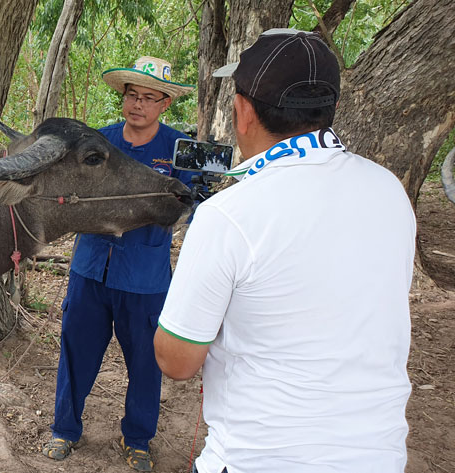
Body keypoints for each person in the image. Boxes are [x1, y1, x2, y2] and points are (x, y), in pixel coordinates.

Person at [154, 29, 414, 473]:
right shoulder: (388, 189)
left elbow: (176, 360)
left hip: (258, 458)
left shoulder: (230, 215)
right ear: (329, 109)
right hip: (377, 456)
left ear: (242, 112)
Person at [42, 56, 195, 472]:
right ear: (122, 98)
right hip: (91, 269)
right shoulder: (98, 142)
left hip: (145, 278)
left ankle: (138, 439)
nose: (138, 105)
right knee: (76, 352)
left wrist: (194, 200)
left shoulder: (180, 150)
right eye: (132, 95)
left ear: (165, 104)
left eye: (149, 97)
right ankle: (64, 429)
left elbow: (195, 207)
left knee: (146, 362)